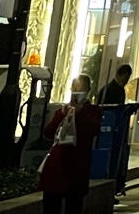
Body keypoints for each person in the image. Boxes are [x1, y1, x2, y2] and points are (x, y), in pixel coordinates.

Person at [37, 75, 102, 214]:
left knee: (73, 205)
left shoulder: (93, 111)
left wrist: (79, 113)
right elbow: (48, 133)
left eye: (81, 89)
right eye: (75, 88)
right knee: (51, 205)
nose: (77, 92)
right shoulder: (62, 111)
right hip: (57, 167)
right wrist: (62, 114)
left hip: (77, 169)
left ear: (88, 91)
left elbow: (92, 130)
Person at [99, 63, 136, 194]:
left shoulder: (121, 90)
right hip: (109, 131)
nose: (125, 82)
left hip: (119, 129)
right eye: (124, 79)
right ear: (118, 76)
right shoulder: (108, 90)